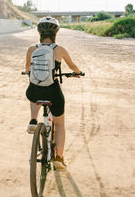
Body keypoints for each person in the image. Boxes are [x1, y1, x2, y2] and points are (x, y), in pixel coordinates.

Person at [25, 16, 82, 170]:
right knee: (60, 123)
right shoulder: (59, 49)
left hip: (33, 92)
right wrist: (78, 72)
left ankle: (32, 121)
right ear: (56, 32)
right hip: (53, 92)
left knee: (34, 88)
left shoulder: (31, 49)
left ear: (39, 32)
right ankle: (58, 157)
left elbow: (27, 70)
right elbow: (73, 66)